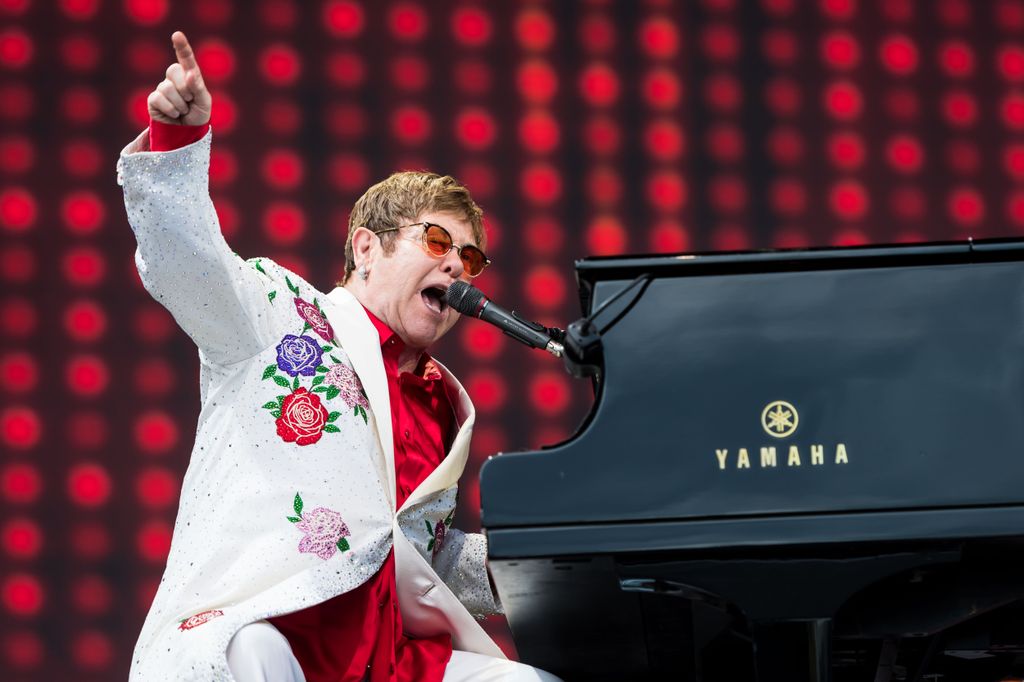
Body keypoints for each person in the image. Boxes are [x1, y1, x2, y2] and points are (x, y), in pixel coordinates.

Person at [118, 31, 560, 682]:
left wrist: (566, 550)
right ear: (366, 249)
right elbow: (191, 266)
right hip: (273, 630)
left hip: (389, 656)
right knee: (257, 651)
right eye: (437, 239)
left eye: (469, 258)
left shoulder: (443, 403)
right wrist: (178, 142)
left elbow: (417, 558)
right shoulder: (280, 311)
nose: (455, 265)